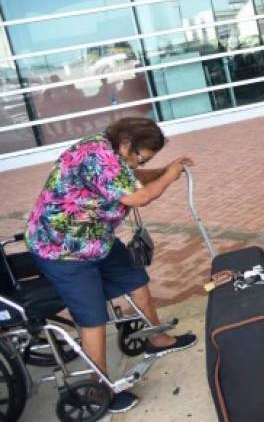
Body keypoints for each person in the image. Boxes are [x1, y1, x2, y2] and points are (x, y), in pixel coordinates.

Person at [25, 117, 197, 414]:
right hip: (63, 248)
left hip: (96, 237)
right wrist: (169, 175)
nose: (141, 163)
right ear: (127, 143)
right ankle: (98, 389)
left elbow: (128, 176)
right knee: (93, 318)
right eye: (142, 157)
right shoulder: (97, 155)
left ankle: (158, 338)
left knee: (135, 278)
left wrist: (163, 171)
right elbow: (139, 196)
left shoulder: (111, 150)